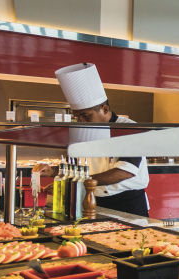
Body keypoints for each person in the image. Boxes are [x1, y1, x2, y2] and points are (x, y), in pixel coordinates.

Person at [35, 62, 150, 216]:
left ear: (105, 109)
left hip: (127, 203)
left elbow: (125, 172)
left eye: (85, 115)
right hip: (92, 200)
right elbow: (77, 165)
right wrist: (55, 171)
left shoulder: (129, 128)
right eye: (77, 116)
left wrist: (77, 181)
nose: (81, 121)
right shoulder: (84, 131)